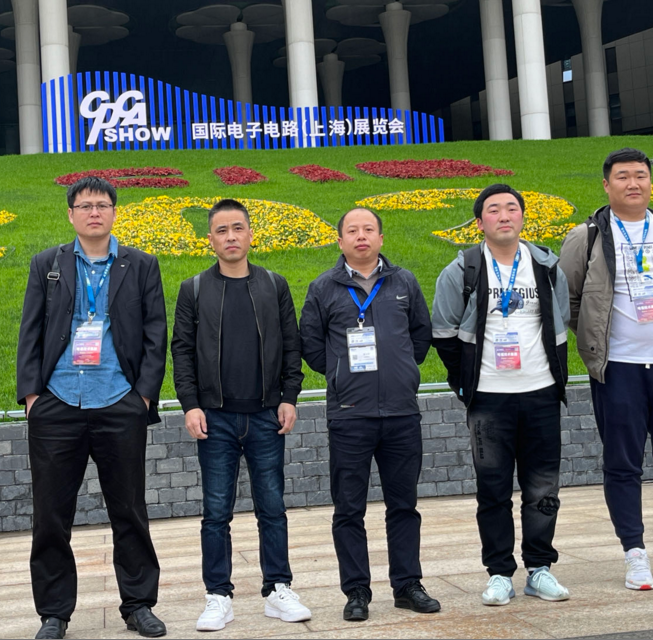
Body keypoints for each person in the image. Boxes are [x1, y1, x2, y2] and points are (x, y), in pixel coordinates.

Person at [16, 176, 168, 639]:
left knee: (129, 510)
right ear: (71, 215)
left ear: (115, 212)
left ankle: (138, 605)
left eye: (102, 204)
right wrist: (32, 397)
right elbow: (30, 330)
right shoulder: (48, 264)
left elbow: (155, 334)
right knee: (50, 515)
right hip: (57, 401)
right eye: (85, 206)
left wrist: (142, 397)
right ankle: (54, 613)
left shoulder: (141, 265)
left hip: (118, 400)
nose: (94, 212)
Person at [560, 148, 653, 591]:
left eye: (641, 175)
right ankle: (634, 553)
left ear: (650, 182)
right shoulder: (587, 235)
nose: (633, 183)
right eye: (623, 176)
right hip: (620, 368)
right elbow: (568, 298)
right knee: (622, 463)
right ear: (606, 185)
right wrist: (595, 339)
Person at [171, 199, 311, 632]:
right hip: (215, 419)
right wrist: (190, 404)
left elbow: (291, 344)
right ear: (209, 239)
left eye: (237, 228)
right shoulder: (194, 289)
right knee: (216, 512)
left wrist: (289, 396)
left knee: (272, 507)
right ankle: (218, 596)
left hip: (266, 415)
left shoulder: (274, 284)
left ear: (250, 234)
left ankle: (278, 589)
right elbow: (182, 351)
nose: (230, 237)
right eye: (221, 230)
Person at [431, 184, 572, 606]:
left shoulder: (546, 266)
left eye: (512, 208)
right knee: (492, 490)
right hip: (489, 398)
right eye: (494, 210)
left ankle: (540, 568)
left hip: (540, 392)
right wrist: (465, 383)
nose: (504, 215)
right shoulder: (463, 270)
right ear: (479, 223)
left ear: (523, 217)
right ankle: (499, 573)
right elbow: (444, 332)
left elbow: (561, 322)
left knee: (543, 487)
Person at [300, 207, 439, 622]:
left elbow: (420, 335)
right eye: (352, 230)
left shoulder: (404, 282)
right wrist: (342, 374)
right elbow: (312, 347)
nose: (361, 236)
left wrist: (402, 370)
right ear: (340, 240)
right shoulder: (323, 288)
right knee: (348, 509)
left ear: (380, 238)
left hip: (401, 413)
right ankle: (357, 590)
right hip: (350, 415)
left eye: (368, 229)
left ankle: (408, 585)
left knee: (404, 505)